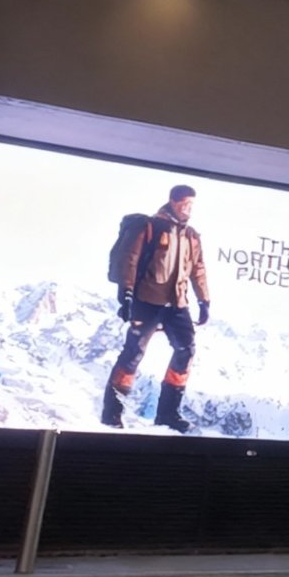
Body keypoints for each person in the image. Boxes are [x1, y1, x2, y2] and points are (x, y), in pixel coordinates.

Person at [101, 184, 210, 433]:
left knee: (186, 350)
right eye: (184, 204)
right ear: (172, 201)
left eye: (191, 205)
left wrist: (204, 300)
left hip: (177, 303)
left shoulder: (192, 235)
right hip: (146, 300)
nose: (188, 209)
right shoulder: (149, 226)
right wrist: (126, 295)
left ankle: (168, 414)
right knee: (133, 354)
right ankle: (112, 414)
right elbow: (130, 259)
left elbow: (198, 269)